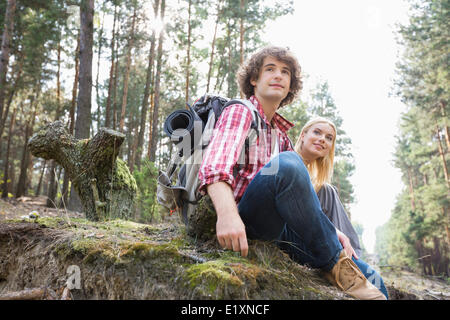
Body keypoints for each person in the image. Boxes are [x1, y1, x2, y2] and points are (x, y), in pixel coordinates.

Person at [198, 46, 386, 300]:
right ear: (254, 79)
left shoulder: (281, 136)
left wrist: (332, 230)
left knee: (374, 280)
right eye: (270, 69)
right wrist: (228, 215)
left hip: (280, 230)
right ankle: (335, 264)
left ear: (290, 86)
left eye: (285, 72)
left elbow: (299, 199)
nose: (279, 76)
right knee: (287, 164)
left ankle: (339, 263)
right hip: (246, 218)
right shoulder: (241, 110)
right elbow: (214, 167)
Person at [294, 117, 389, 299]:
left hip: (322, 244)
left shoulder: (317, 183)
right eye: (317, 132)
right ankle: (343, 259)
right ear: (303, 135)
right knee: (374, 284)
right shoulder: (286, 163)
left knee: (377, 283)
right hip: (296, 241)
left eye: (329, 138)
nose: (323, 139)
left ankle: (350, 256)